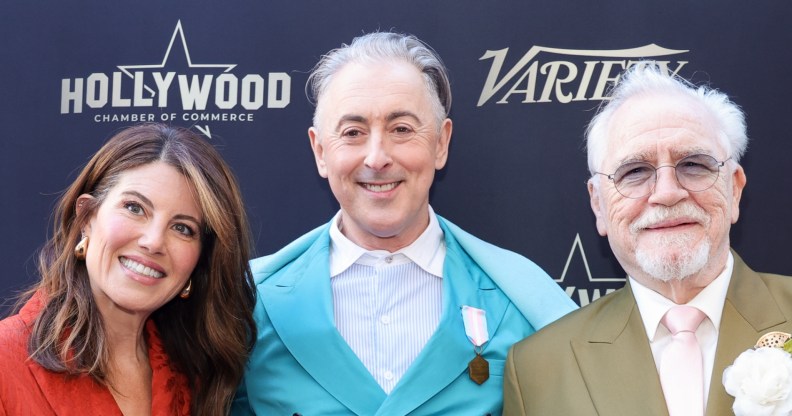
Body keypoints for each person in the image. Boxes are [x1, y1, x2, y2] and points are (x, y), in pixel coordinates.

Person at [231, 31, 575, 416]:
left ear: (441, 143)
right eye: (353, 133)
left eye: (401, 129)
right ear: (320, 151)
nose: (377, 158)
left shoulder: (522, 301)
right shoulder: (247, 305)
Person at [503, 64, 792, 415]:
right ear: (598, 204)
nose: (667, 193)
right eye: (635, 171)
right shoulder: (537, 368)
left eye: (693, 165)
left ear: (734, 189)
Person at [0, 123, 257, 415]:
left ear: (201, 259)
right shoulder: (6, 364)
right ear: (86, 217)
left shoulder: (196, 379)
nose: (153, 242)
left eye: (183, 228)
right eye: (135, 208)